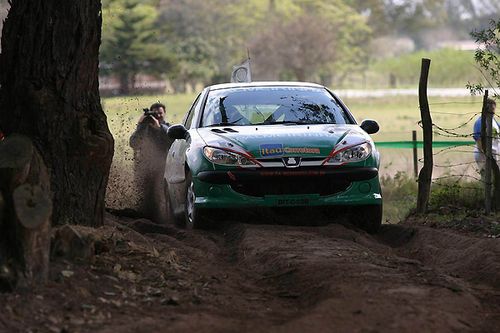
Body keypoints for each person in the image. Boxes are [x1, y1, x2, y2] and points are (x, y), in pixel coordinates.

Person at [129, 102, 174, 220]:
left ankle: (164, 218)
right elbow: (133, 143)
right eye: (155, 114)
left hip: (162, 169)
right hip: (144, 168)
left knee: (161, 195)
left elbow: (172, 141)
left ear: (165, 114)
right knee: (144, 194)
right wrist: (141, 126)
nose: (158, 116)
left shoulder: (168, 128)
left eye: (160, 113)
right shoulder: (145, 129)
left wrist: (159, 127)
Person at [473, 98, 499, 175]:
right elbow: (479, 143)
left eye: (493, 109)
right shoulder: (480, 123)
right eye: (491, 109)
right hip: (484, 156)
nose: (493, 111)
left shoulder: (493, 121)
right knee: (487, 177)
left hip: (493, 155)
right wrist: (487, 157)